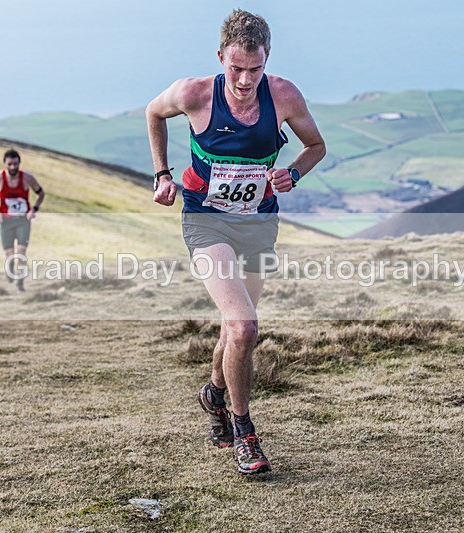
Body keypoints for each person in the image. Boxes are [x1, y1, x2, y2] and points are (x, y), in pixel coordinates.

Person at [146, 9, 326, 475]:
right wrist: (162, 174)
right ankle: (245, 432)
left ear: (268, 60)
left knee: (233, 330)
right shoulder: (193, 93)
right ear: (220, 56)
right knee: (245, 326)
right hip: (206, 220)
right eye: (236, 68)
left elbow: (315, 146)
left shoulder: (283, 95)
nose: (245, 79)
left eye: (256, 68)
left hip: (258, 222)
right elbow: (153, 112)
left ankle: (214, 392)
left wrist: (294, 173)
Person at [0, 150, 45, 292]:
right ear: (4, 164)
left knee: (21, 251)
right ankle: (10, 269)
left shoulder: (27, 178)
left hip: (22, 220)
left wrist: (34, 209)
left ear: (19, 163)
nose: (13, 167)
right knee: (9, 254)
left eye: (15, 164)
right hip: (6, 221)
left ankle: (20, 282)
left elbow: (41, 193)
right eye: (10, 164)